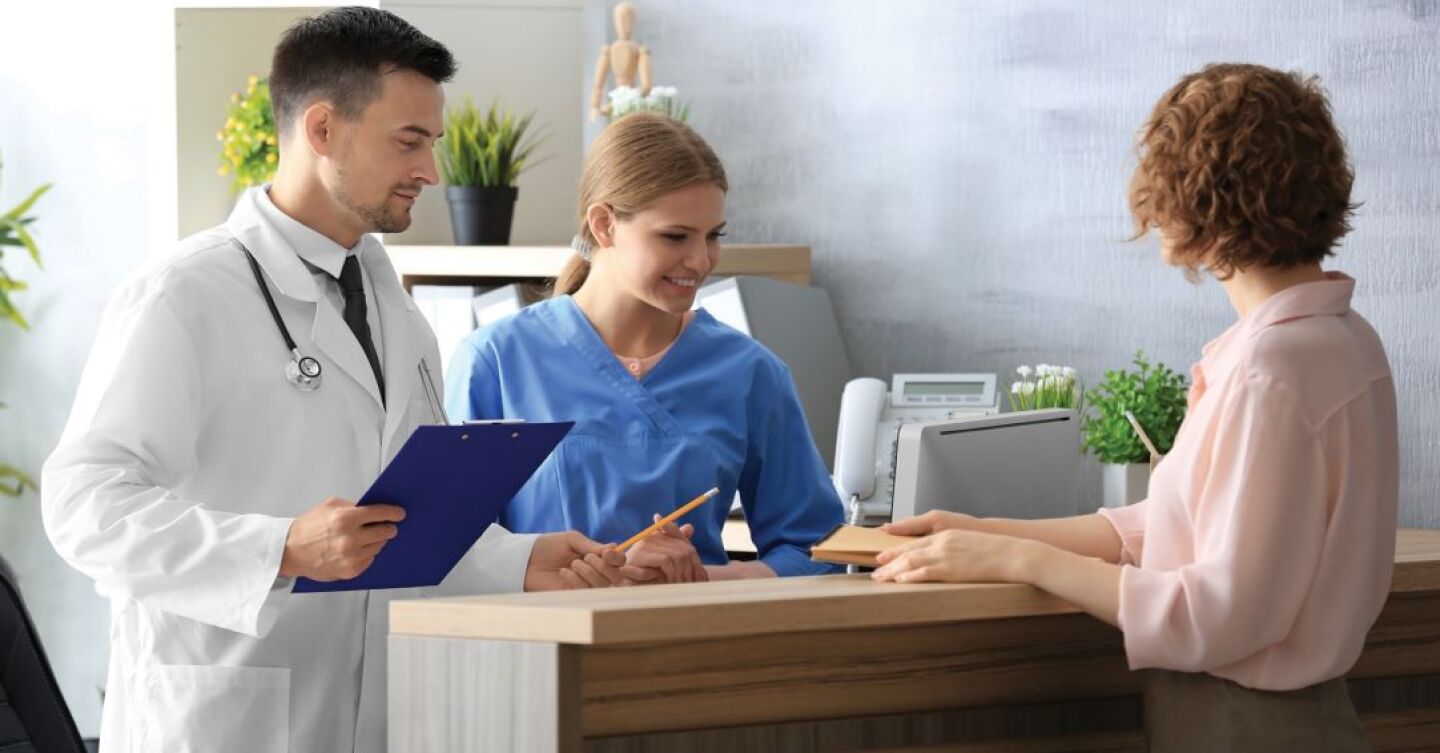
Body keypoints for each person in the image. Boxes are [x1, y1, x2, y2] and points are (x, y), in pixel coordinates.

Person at [41, 8, 623, 752]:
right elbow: (83, 505)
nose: (431, 172)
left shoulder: (397, 312)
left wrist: (524, 557)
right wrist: (279, 547)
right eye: (409, 142)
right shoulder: (181, 294)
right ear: (322, 130)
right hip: (224, 717)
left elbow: (397, 524)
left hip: (373, 712)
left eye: (433, 144)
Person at [874, 63, 1396, 752]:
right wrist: (990, 532)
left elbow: (1215, 614)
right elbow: (1179, 528)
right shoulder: (1344, 342)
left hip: (1243, 724)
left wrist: (1020, 560)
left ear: (1192, 204)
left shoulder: (1270, 371)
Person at [446, 113, 844, 583]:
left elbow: (819, 552)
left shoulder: (751, 373)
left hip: (685, 647)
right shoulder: (496, 361)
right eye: (675, 236)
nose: (700, 261)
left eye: (713, 236)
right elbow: (448, 551)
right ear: (604, 224)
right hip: (534, 649)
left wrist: (697, 581)